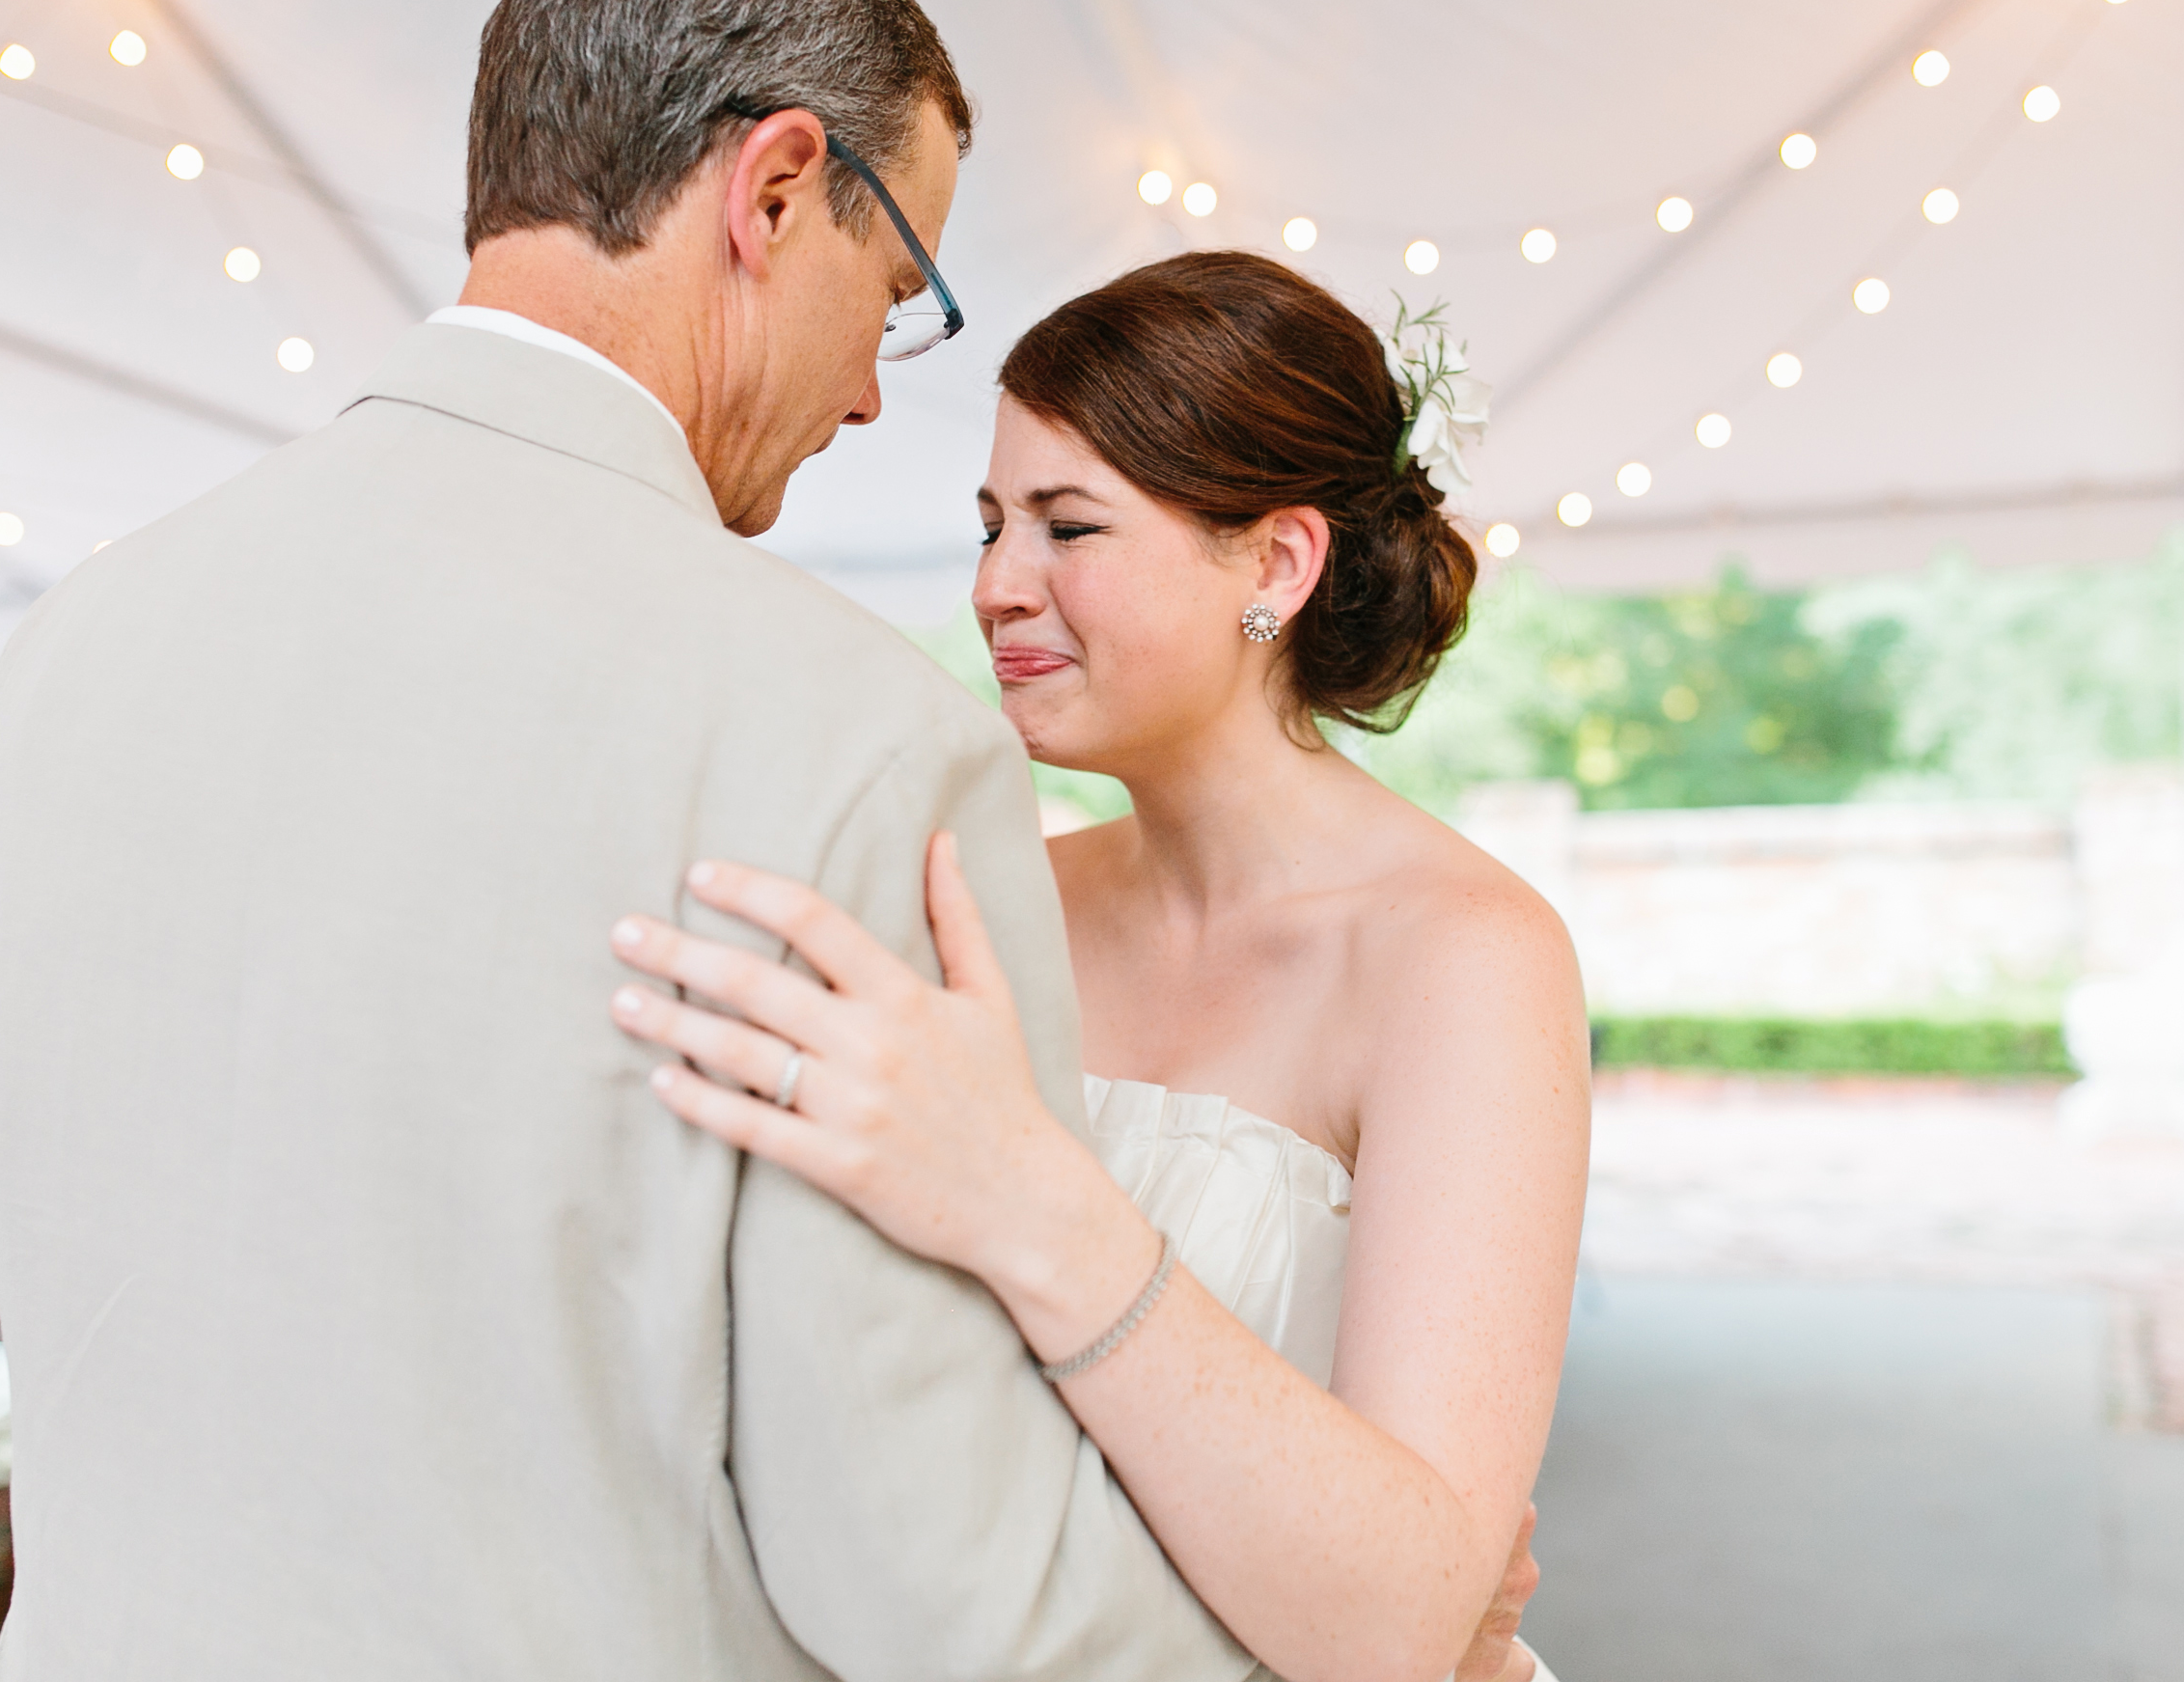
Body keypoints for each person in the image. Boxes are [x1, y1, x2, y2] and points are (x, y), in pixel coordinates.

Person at [0, 0, 1362, 1679]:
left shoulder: (75, 644)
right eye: (897, 295)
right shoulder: (860, 741)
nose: (877, 398)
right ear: (776, 190)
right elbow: (930, 1582)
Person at [605, 254, 1590, 1682]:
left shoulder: (1464, 961)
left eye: (1070, 526)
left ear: (1276, 566)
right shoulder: (995, 898)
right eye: (993, 525)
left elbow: (1396, 1622)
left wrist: (1030, 1200)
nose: (999, 587)